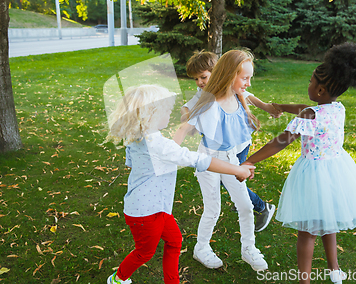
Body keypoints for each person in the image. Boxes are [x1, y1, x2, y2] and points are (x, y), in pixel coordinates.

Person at [243, 42, 356, 284]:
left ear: (321, 90)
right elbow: (306, 108)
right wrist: (280, 107)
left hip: (314, 174)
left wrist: (250, 160)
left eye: (311, 82)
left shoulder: (310, 115)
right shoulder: (337, 108)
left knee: (307, 232)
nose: (309, 85)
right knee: (329, 219)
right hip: (336, 170)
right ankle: (334, 270)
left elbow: (281, 141)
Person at [105, 84, 254, 284]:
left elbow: (133, 163)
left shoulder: (136, 137)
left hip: (155, 207)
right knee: (144, 253)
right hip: (146, 213)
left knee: (175, 241)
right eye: (167, 110)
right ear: (151, 115)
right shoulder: (158, 144)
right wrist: (237, 169)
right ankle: (118, 279)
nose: (171, 113)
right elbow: (200, 160)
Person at [174, 49, 268, 271]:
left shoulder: (237, 97)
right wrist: (169, 155)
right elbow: (183, 128)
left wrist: (270, 108)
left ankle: (249, 249)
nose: (248, 83)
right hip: (207, 161)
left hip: (229, 159)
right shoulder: (209, 103)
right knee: (213, 207)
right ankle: (201, 248)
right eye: (245, 78)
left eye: (249, 78)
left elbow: (250, 101)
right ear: (229, 75)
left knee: (245, 205)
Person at [180, 50, 281, 232]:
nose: (199, 82)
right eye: (195, 79)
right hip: (222, 146)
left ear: (218, 71)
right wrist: (186, 117)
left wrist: (266, 107)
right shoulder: (204, 93)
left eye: (203, 77)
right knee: (229, 176)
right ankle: (242, 200)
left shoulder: (230, 86)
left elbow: (248, 96)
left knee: (232, 177)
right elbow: (188, 107)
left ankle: (262, 207)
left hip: (239, 144)